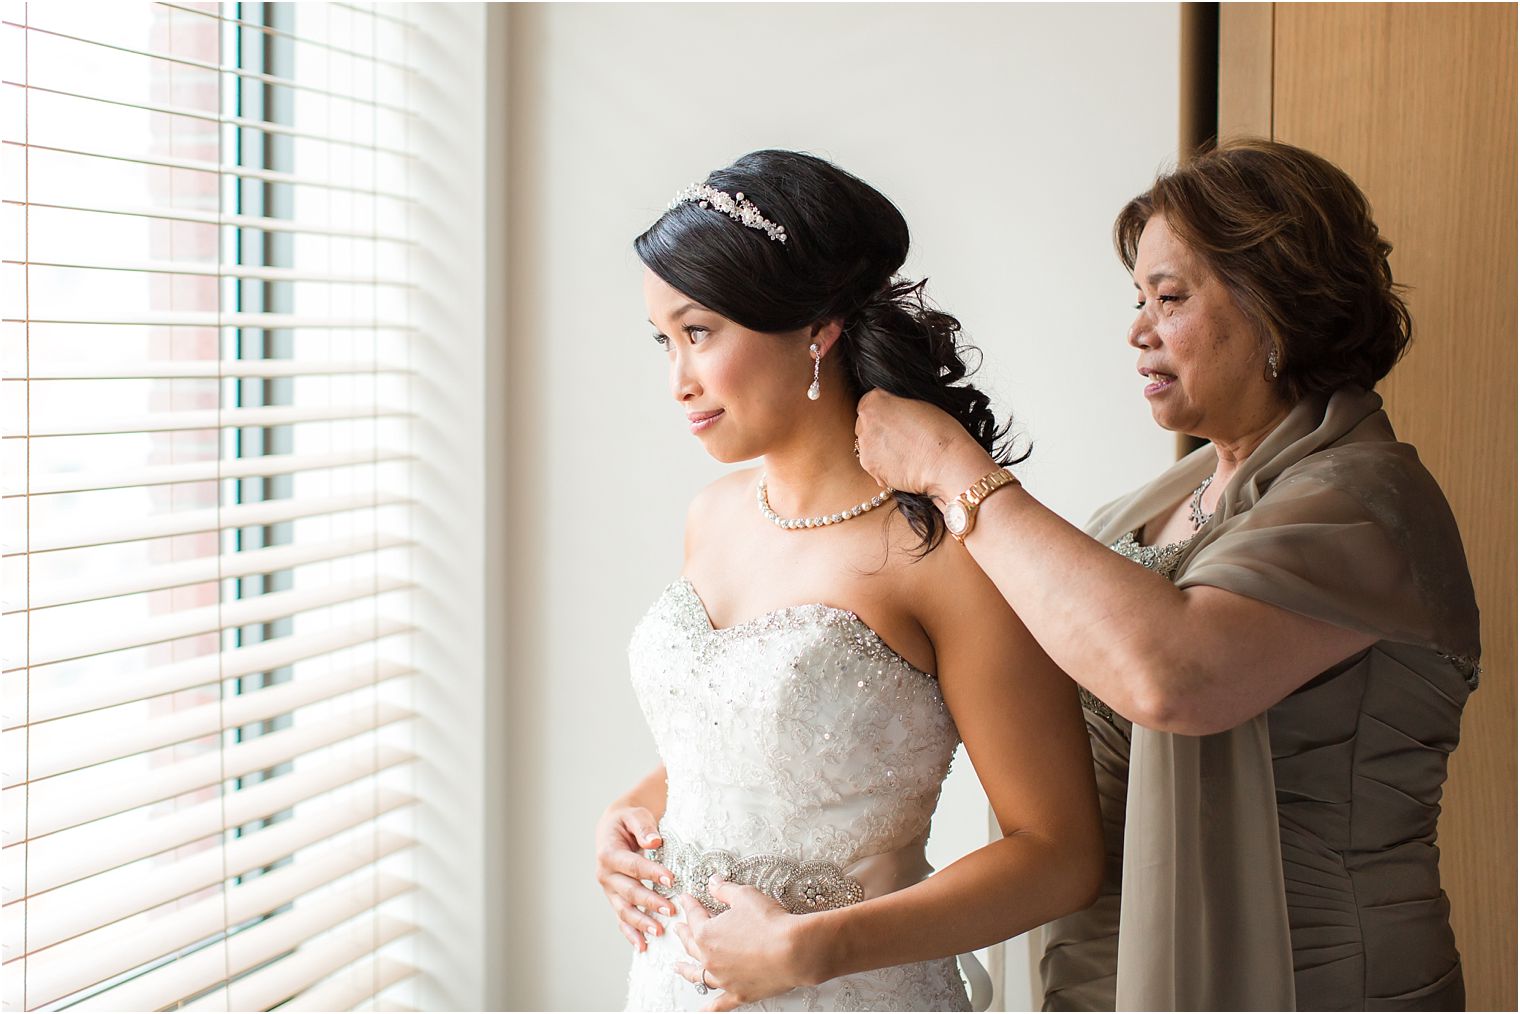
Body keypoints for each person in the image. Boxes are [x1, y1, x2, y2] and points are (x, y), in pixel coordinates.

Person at [594, 150, 1104, 1012]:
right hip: (674, 985)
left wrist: (817, 947)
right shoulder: (712, 515)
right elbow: (743, 744)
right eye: (663, 340)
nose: (677, 381)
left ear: (818, 329)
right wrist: (634, 813)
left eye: (700, 332)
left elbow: (1060, 853)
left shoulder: (943, 548)